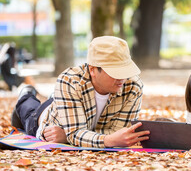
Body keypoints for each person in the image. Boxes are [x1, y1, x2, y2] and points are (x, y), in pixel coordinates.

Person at [11, 36, 150, 148]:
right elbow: (111, 138)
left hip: (70, 111)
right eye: (115, 72)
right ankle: (26, 94)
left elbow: (118, 134)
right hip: (46, 118)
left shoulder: (133, 86)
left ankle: (55, 98)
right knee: (28, 110)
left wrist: (69, 137)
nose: (122, 78)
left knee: (60, 107)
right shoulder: (69, 81)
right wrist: (106, 139)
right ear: (93, 69)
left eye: (124, 71)